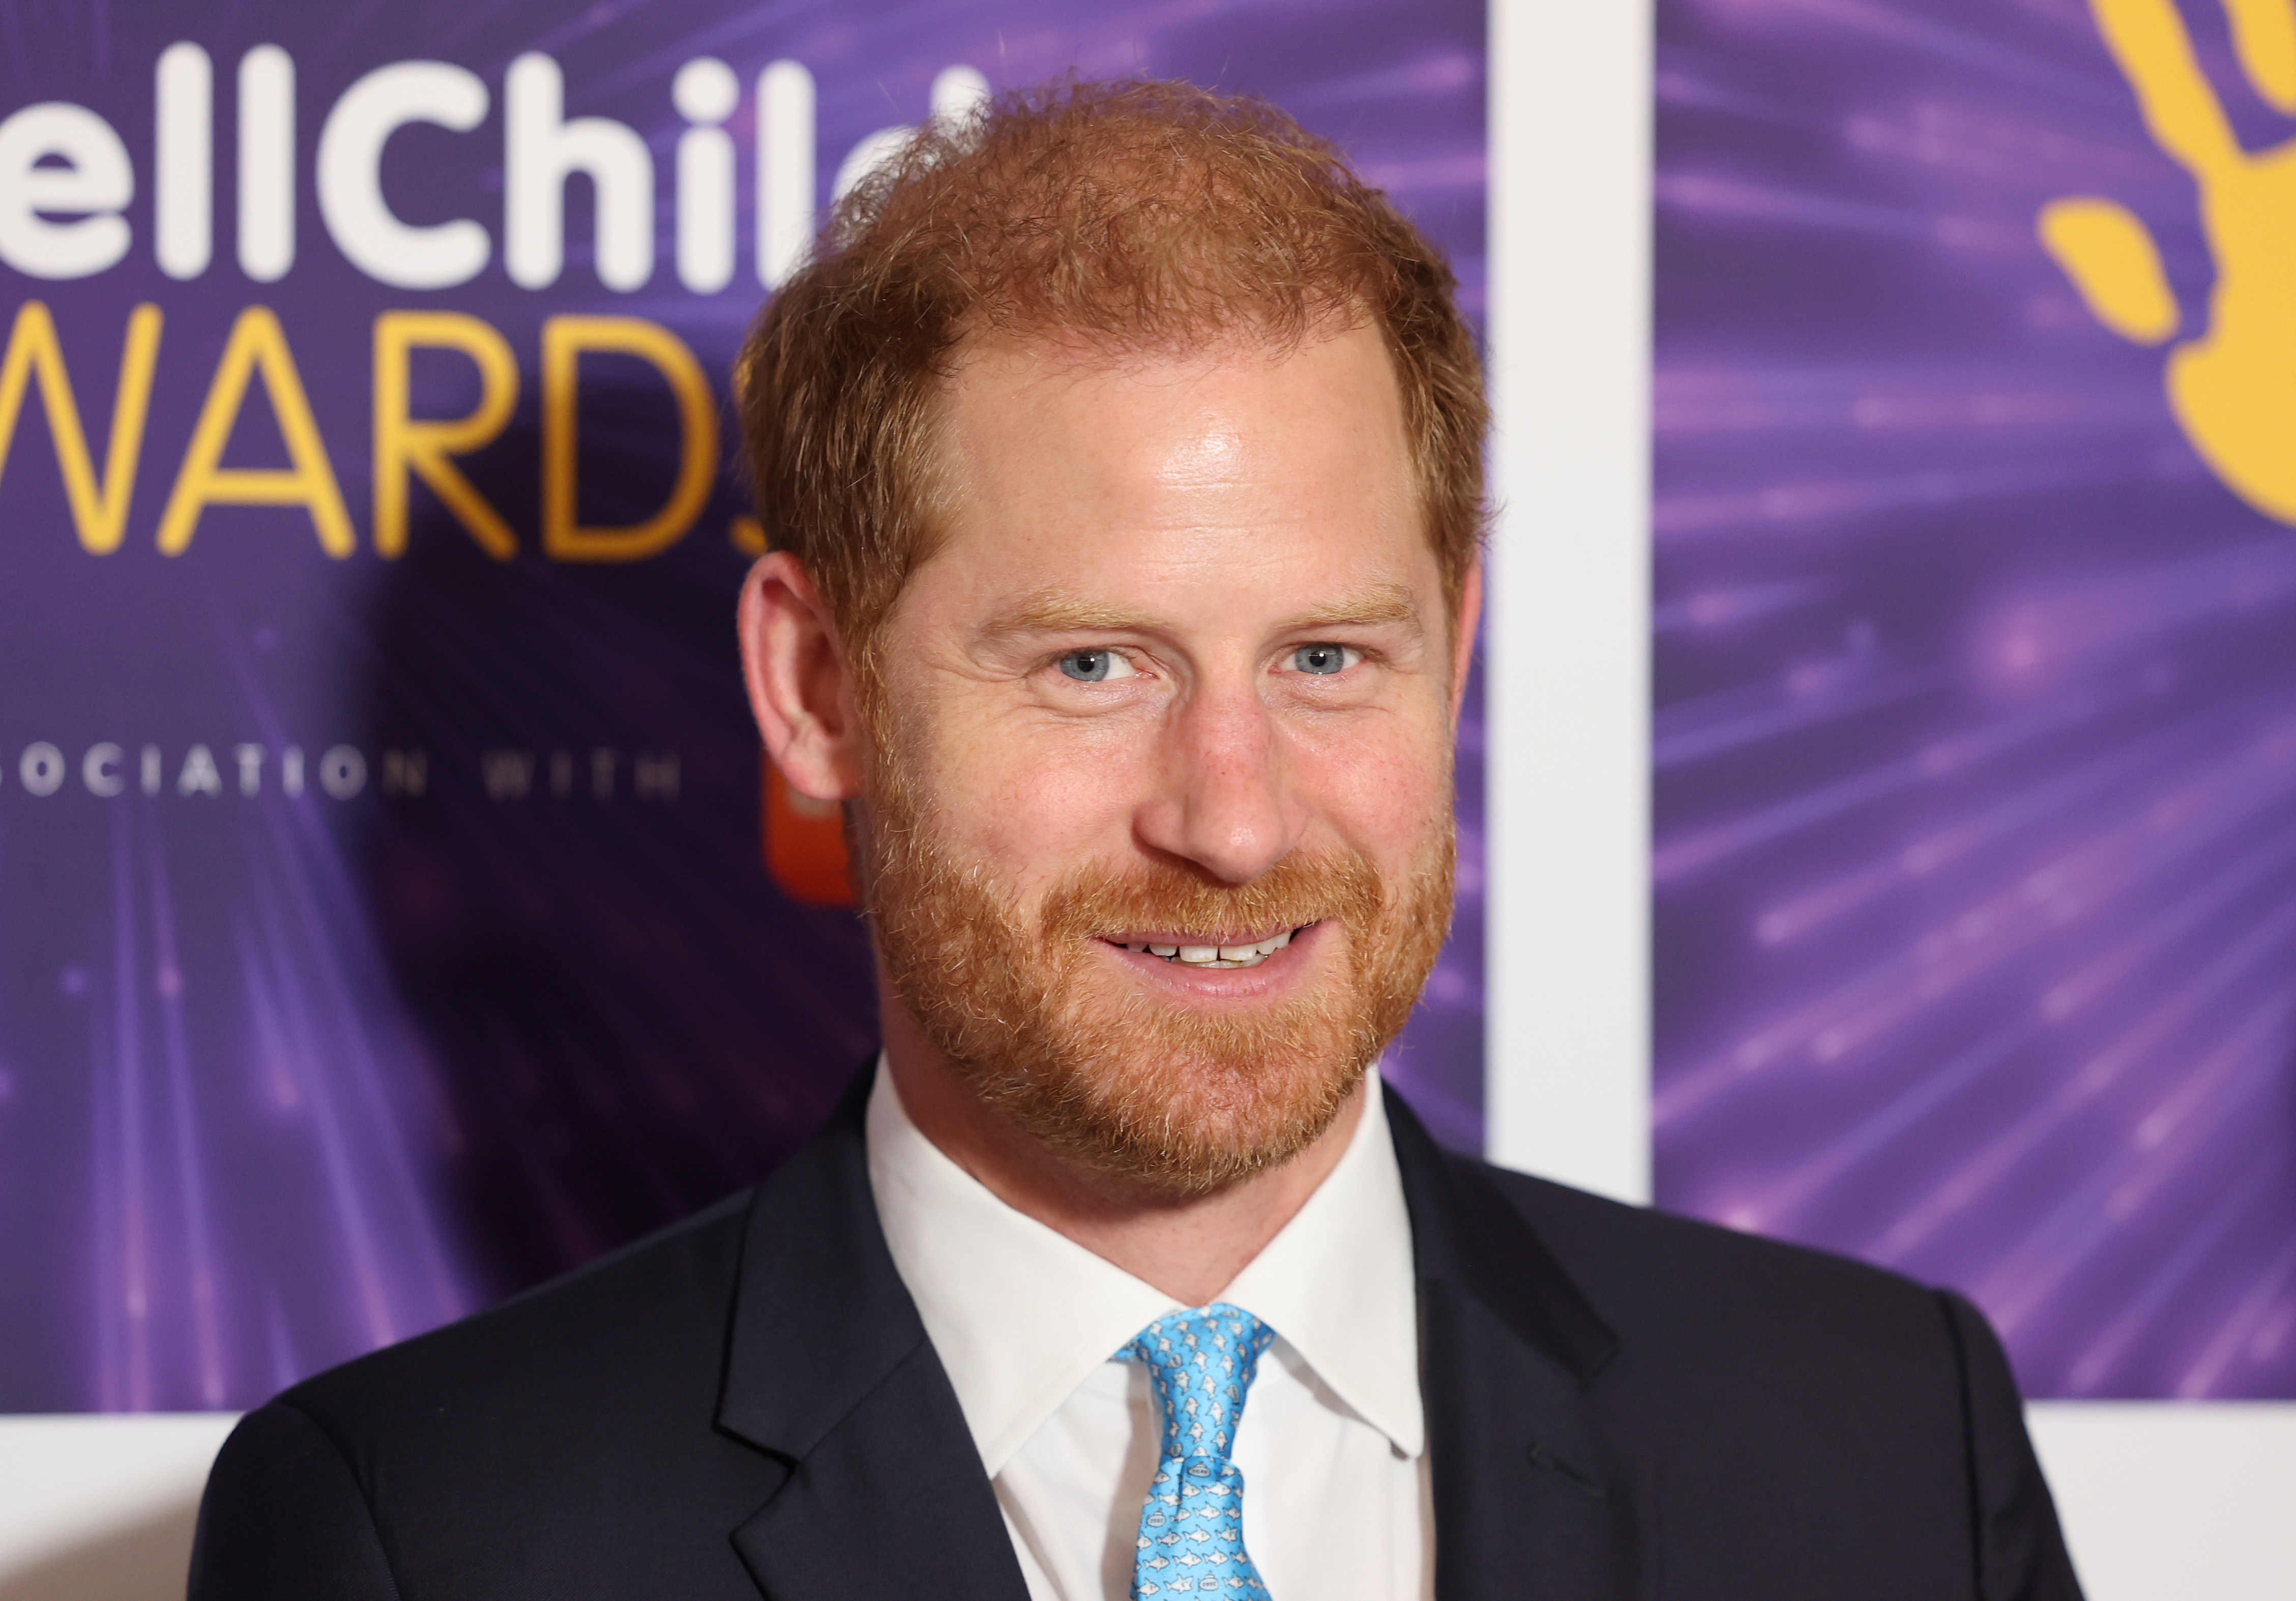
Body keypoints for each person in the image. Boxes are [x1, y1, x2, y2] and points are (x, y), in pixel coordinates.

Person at [189, 79, 2082, 1601]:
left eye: (1329, 654)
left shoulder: (1882, 1447)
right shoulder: (420, 1535)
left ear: (1460, 649)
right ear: (817, 690)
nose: (1233, 815)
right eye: (1094, 662)